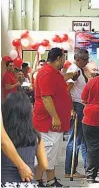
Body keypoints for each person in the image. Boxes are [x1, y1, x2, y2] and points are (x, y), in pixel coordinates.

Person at [33, 48, 77, 187]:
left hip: (53, 122)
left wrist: (71, 75)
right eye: (63, 59)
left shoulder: (53, 73)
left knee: (51, 152)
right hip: (47, 121)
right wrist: (55, 117)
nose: (64, 62)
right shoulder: (46, 73)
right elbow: (46, 98)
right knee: (47, 152)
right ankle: (42, 181)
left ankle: (45, 180)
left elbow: (60, 78)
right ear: (58, 58)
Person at [1, 92, 48, 185]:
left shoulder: (3, 136)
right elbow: (44, 165)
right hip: (28, 182)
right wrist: (35, 175)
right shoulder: (35, 136)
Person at [64, 49, 89, 179]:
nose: (87, 61)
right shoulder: (74, 71)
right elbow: (66, 90)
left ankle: (88, 167)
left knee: (84, 140)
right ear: (77, 59)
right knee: (75, 140)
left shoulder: (80, 70)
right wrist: (71, 108)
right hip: (77, 106)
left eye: (87, 58)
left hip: (82, 107)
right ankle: (70, 170)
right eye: (85, 59)